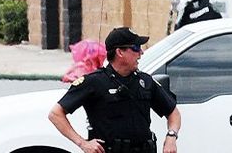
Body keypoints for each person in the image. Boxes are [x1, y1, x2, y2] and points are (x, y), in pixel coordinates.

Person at [49, 27, 181, 153]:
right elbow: (55, 114)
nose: (141, 53)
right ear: (119, 52)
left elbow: (173, 113)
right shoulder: (94, 82)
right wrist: (83, 143)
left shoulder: (145, 81)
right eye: (136, 48)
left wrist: (171, 136)